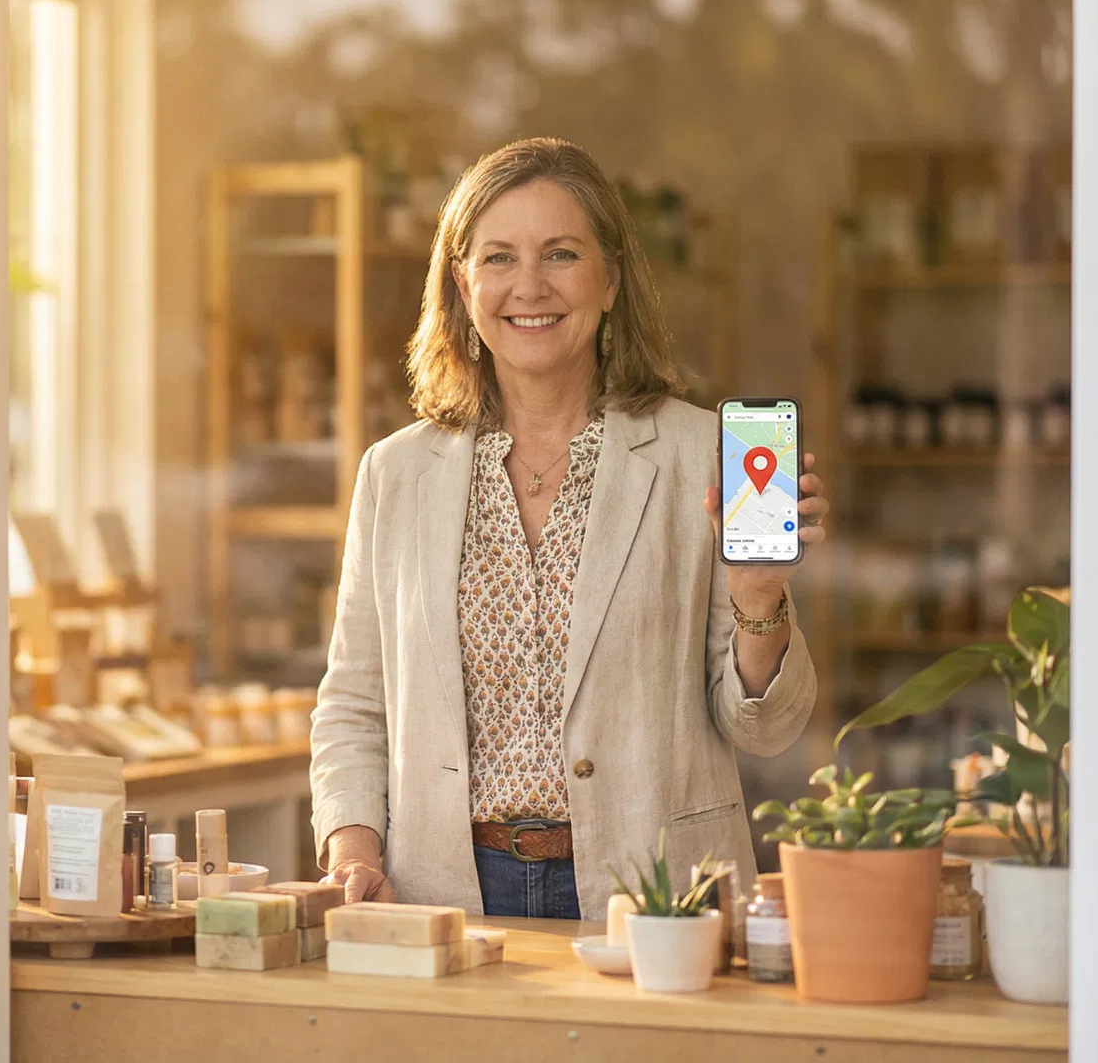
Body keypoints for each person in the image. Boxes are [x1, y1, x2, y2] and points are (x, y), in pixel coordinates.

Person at [310, 137, 827, 919]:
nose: (528, 286)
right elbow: (353, 702)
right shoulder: (396, 474)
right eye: (497, 258)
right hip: (442, 892)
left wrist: (760, 595)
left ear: (611, 280)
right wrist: (352, 849)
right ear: (461, 284)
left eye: (560, 254)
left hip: (656, 890)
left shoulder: (702, 457)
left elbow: (765, 731)